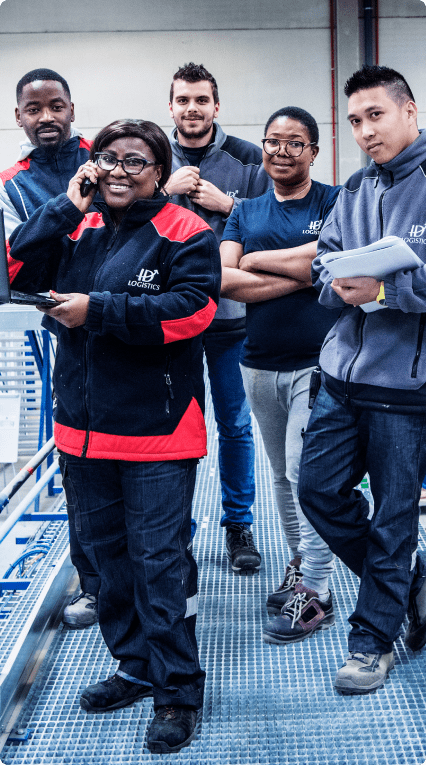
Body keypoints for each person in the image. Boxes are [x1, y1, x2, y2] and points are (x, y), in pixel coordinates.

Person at [7, 118, 221, 752]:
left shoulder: (186, 230)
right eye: (107, 158)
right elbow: (17, 269)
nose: (118, 171)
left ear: (159, 171)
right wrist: (65, 205)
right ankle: (134, 667)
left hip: (157, 431)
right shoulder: (81, 224)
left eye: (135, 161)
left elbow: (193, 310)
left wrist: (96, 310)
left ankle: (177, 690)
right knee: (106, 565)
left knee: (159, 566)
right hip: (81, 431)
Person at [298, 64, 426, 695]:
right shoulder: (353, 188)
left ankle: (372, 641)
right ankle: (411, 583)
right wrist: (338, 282)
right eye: (354, 121)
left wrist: (386, 289)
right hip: (341, 377)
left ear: (409, 111)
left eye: (375, 115)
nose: (365, 131)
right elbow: (323, 263)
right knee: (318, 492)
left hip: (405, 388)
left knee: (394, 517)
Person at [221, 107, 340, 642]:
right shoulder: (246, 210)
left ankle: (317, 590)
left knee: (303, 472)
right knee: (280, 475)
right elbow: (224, 279)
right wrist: (304, 273)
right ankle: (299, 565)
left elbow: (331, 258)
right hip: (258, 363)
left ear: (313, 150)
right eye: (273, 141)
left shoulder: (333, 201)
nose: (282, 151)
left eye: (295, 142)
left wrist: (258, 260)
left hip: (318, 362)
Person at [0, 67, 99, 629]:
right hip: (66, 334)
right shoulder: (11, 184)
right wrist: (67, 209)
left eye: (55, 106)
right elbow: (14, 259)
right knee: (79, 462)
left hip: (127, 322)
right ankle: (94, 582)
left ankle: (165, 565)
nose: (46, 117)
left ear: (71, 109)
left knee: (149, 458)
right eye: (34, 109)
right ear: (19, 116)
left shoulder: (107, 156)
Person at [165, 62, 272, 573]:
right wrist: (164, 190)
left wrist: (229, 204)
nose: (192, 109)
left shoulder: (249, 158)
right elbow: (122, 218)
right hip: (171, 321)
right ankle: (175, 531)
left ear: (216, 105)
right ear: (171, 107)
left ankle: (238, 525)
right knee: (175, 429)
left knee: (235, 425)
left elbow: (274, 225)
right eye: (183, 100)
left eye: (201, 100)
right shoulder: (153, 155)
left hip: (231, 320)